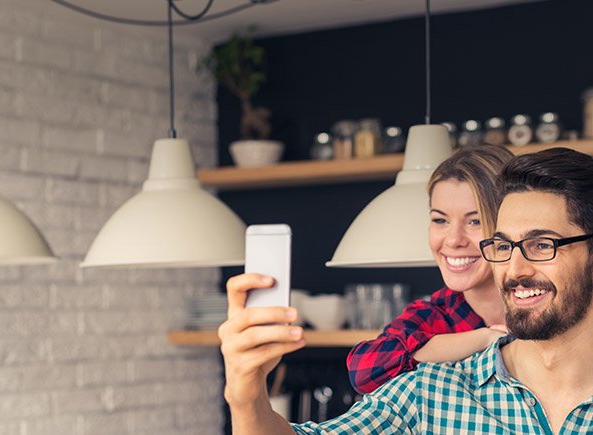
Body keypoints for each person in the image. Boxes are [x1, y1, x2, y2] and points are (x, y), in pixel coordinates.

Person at [218, 147, 593, 434]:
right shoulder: (430, 392)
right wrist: (246, 395)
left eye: (543, 245)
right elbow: (365, 370)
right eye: (503, 246)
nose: (514, 269)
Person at [348, 144, 513, 394]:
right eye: (440, 220)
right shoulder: (435, 314)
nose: (453, 240)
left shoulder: (548, 306)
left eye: (475, 221)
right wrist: (483, 338)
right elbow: (364, 371)